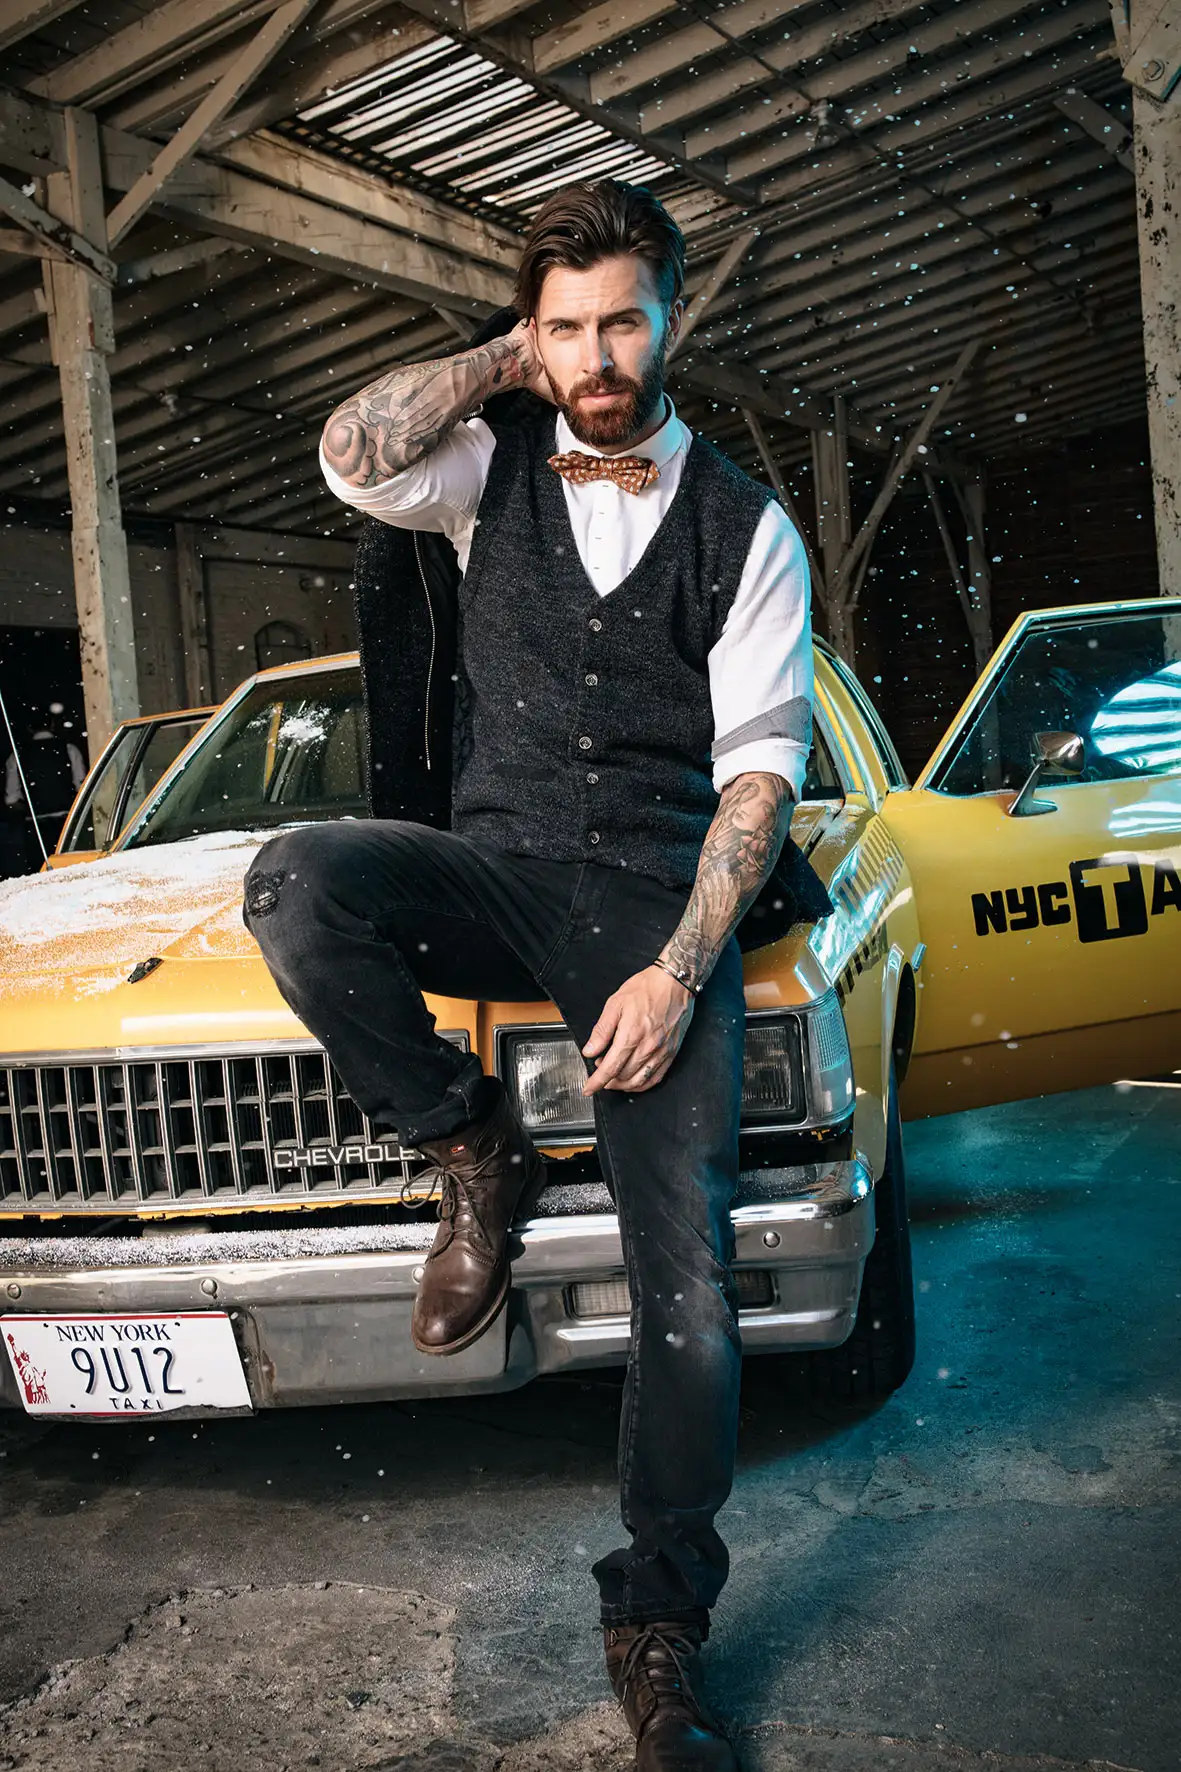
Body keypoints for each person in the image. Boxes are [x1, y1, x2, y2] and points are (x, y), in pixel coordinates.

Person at [243, 179, 832, 1772]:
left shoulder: (747, 526)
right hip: (496, 874)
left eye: (620, 319)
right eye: (567, 324)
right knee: (296, 883)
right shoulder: (485, 461)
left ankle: (658, 1622)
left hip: (651, 902)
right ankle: (467, 1143)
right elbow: (349, 452)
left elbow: (758, 784)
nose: (596, 353)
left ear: (673, 319)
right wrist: (503, 360)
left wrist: (677, 966)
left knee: (687, 1288)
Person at [3, 705, 85, 872]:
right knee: (73, 872)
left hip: (36, 828)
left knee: (40, 875)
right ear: (53, 724)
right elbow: (82, 788)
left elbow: (11, 799)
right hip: (67, 825)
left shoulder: (17, 756)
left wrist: (34, 808)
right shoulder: (69, 749)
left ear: (28, 728)